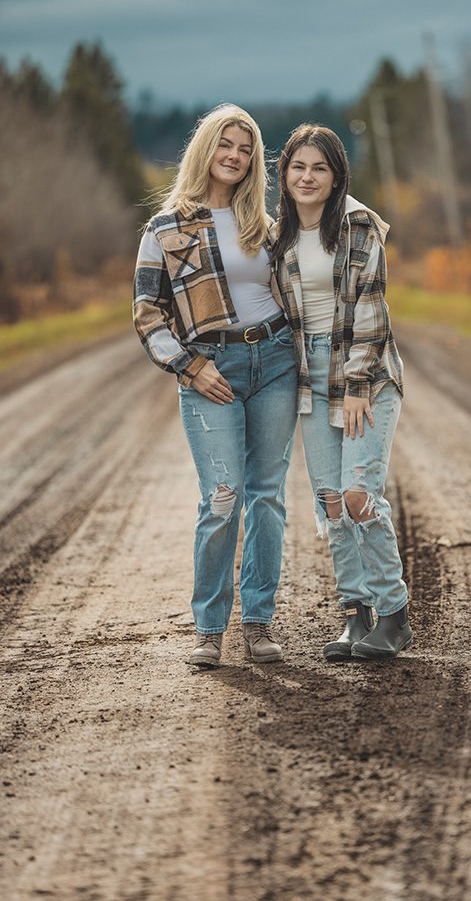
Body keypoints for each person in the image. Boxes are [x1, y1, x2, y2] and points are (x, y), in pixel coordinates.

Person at [133, 104, 297, 668]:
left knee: (267, 497)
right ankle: (208, 629)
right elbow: (147, 314)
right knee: (222, 498)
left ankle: (258, 622)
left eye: (246, 148)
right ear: (205, 149)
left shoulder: (268, 228)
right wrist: (188, 366)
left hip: (275, 361)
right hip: (210, 370)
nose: (236, 156)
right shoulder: (163, 229)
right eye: (226, 144)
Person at [271, 124, 411, 661]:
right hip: (310, 378)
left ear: (336, 177)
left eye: (319, 168)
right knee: (331, 504)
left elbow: (373, 311)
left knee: (358, 496)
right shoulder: (278, 234)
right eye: (298, 167)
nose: (307, 177)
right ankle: (356, 615)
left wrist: (356, 386)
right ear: (284, 174)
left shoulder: (357, 225)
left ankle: (394, 615)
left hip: (365, 377)